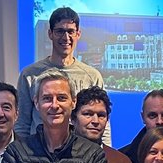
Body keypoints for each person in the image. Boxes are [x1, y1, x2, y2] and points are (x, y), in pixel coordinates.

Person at [16, 7, 110, 144]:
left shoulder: (92, 76)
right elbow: (22, 123)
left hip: (81, 155)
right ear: (50, 34)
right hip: (38, 155)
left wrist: (106, 154)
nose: (66, 37)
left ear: (78, 34)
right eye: (60, 31)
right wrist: (22, 156)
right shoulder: (30, 75)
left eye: (71, 31)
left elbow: (103, 123)